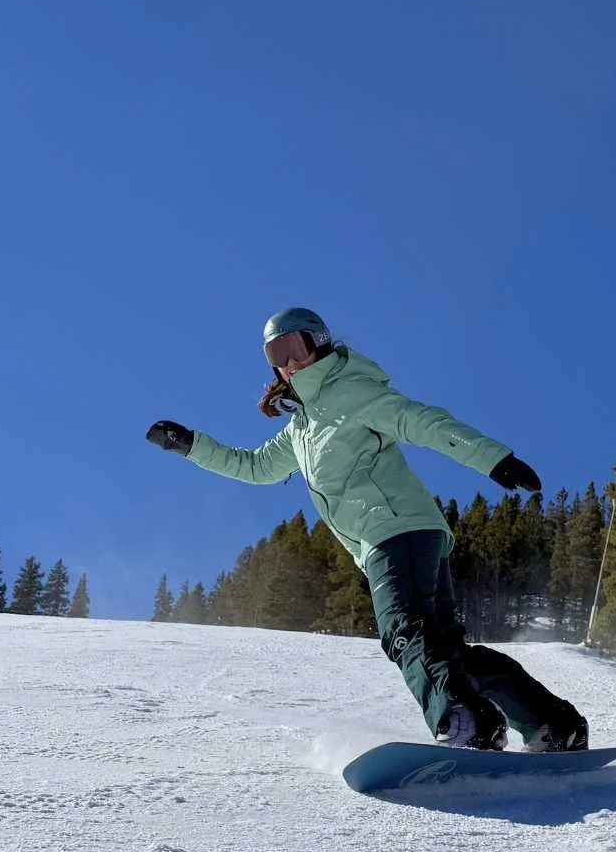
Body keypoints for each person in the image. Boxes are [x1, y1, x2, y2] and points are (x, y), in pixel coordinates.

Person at [146, 307, 588, 752]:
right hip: (397, 535)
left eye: (293, 347)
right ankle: (552, 723)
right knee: (444, 654)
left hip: (394, 529)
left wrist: (491, 457)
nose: (288, 361)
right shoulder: (300, 427)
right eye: (275, 354)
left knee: (404, 632)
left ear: (317, 341)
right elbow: (256, 466)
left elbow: (421, 421)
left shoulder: (350, 391)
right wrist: (190, 445)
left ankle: (465, 720)